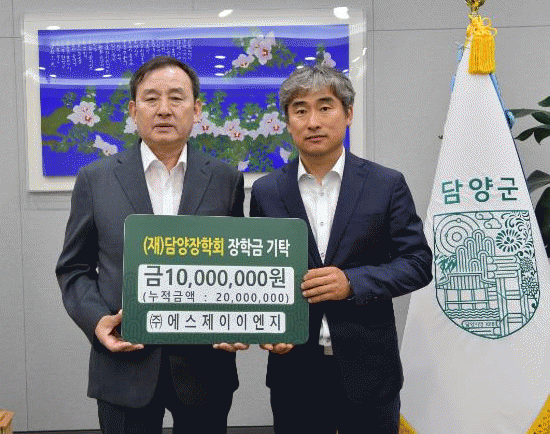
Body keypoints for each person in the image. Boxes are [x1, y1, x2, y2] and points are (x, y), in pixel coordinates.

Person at [56, 56, 247, 434]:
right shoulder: (95, 179)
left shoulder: (225, 179)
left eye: (176, 98)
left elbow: (236, 266)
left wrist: (238, 319)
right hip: (125, 362)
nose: (163, 109)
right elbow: (74, 269)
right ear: (133, 110)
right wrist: (97, 321)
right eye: (151, 98)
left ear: (196, 109)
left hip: (205, 366)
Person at [250, 65, 433, 433]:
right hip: (294, 371)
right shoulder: (267, 191)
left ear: (348, 114)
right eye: (300, 110)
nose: (313, 122)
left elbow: (417, 263)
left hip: (369, 367)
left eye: (325, 107)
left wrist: (352, 282)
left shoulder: (385, 184)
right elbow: (258, 273)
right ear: (288, 122)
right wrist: (265, 326)